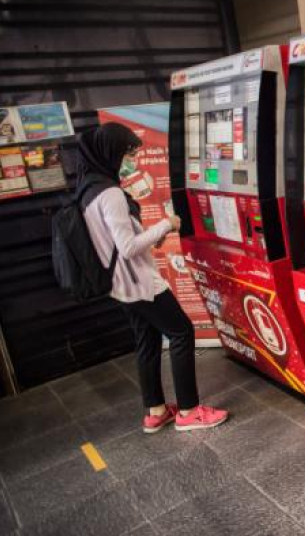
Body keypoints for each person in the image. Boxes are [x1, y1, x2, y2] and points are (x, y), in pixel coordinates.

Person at [78, 122, 228, 433]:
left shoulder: (87, 189)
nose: (131, 160)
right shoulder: (109, 194)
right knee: (182, 332)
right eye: (128, 153)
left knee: (146, 341)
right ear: (112, 153)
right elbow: (129, 247)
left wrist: (150, 234)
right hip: (139, 283)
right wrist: (166, 224)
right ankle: (188, 411)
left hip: (119, 285)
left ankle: (156, 411)